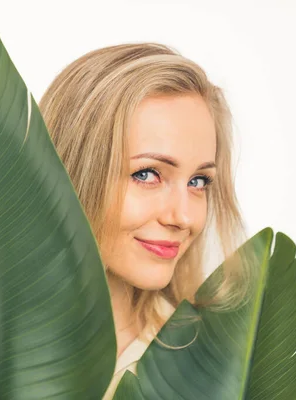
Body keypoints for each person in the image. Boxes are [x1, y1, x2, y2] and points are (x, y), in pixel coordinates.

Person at [38, 42, 252, 399]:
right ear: (70, 171)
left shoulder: (217, 366)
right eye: (147, 174)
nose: (183, 217)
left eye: (198, 182)